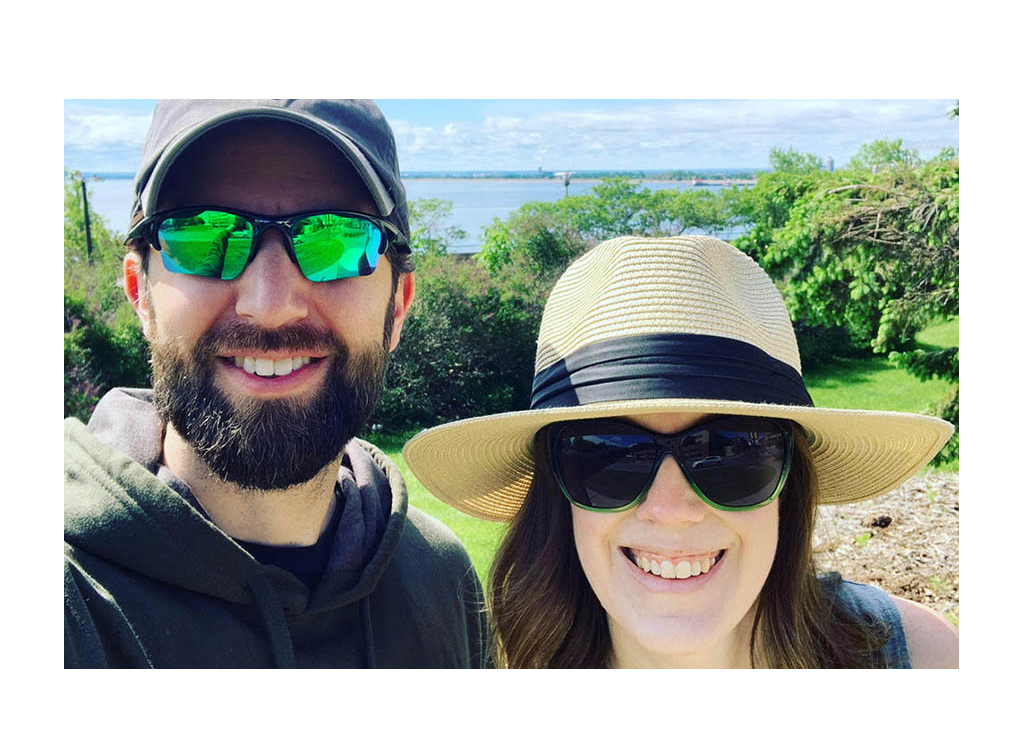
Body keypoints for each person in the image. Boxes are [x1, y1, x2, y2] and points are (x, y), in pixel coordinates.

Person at [64, 100, 488, 668]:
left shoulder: (439, 579)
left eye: (335, 240)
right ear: (141, 293)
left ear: (399, 305)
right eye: (204, 237)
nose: (269, 307)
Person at [403, 235, 958, 668]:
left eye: (733, 451)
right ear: (556, 490)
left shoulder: (924, 662)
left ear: (792, 480)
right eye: (606, 455)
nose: (670, 509)